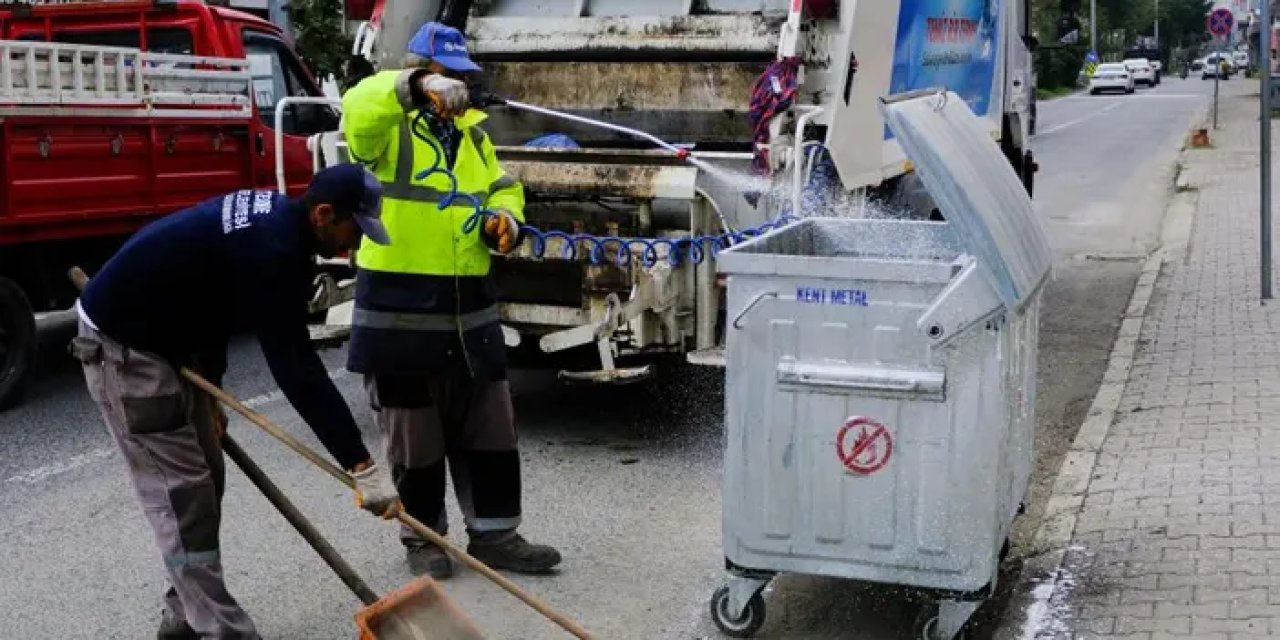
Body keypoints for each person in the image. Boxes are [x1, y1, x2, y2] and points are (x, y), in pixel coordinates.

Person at [70, 164, 403, 640]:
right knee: (183, 495)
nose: (355, 246)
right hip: (127, 352)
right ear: (324, 214)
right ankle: (223, 631)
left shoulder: (281, 224)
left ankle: (183, 615)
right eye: (355, 230)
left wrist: (212, 391)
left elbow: (213, 301)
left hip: (170, 339)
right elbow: (296, 369)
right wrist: (360, 463)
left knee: (206, 479)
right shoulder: (275, 249)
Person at [341, 21, 561, 580]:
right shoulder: (388, 131)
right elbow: (359, 106)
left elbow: (503, 187)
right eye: (447, 79)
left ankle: (497, 537)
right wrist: (414, 88)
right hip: (401, 314)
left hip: (471, 312)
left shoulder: (475, 137)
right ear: (421, 74)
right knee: (415, 442)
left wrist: (507, 219)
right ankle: (425, 542)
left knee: (491, 432)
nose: (457, 91)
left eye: (461, 79)